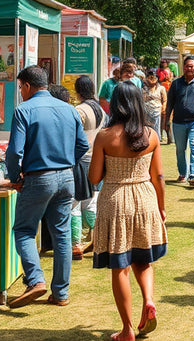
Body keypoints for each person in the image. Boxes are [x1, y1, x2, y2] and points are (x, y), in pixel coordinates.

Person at [6, 66, 90, 309]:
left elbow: (14, 152)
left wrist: (15, 177)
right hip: (66, 178)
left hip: (38, 177)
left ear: (27, 86)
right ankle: (61, 293)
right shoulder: (69, 109)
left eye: (20, 87)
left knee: (23, 230)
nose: (20, 92)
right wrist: (66, 163)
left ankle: (35, 280)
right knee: (61, 234)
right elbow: (82, 145)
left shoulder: (23, 110)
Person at [89, 82, 167, 341]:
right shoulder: (151, 135)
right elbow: (159, 177)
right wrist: (162, 207)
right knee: (143, 258)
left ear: (115, 103)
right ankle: (149, 300)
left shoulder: (104, 136)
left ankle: (127, 329)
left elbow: (94, 177)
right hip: (145, 198)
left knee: (119, 265)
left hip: (115, 199)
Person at [164, 56, 194, 186]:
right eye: (187, 66)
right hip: (178, 122)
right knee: (180, 149)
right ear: (183, 67)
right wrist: (166, 120)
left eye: (192, 66)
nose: (189, 68)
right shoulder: (176, 84)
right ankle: (182, 173)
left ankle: (193, 174)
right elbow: (170, 104)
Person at [73, 75, 106, 259]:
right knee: (92, 202)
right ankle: (97, 240)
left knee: (75, 203)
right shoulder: (100, 109)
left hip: (80, 160)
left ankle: (76, 244)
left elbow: (73, 136)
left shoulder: (80, 110)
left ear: (78, 90)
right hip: (98, 159)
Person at [143, 70, 168, 144]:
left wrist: (163, 109)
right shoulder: (143, 88)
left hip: (157, 111)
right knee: (147, 129)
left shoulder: (161, 88)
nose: (151, 79)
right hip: (146, 111)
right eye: (149, 77)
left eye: (153, 78)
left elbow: (165, 100)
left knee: (156, 127)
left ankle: (156, 142)